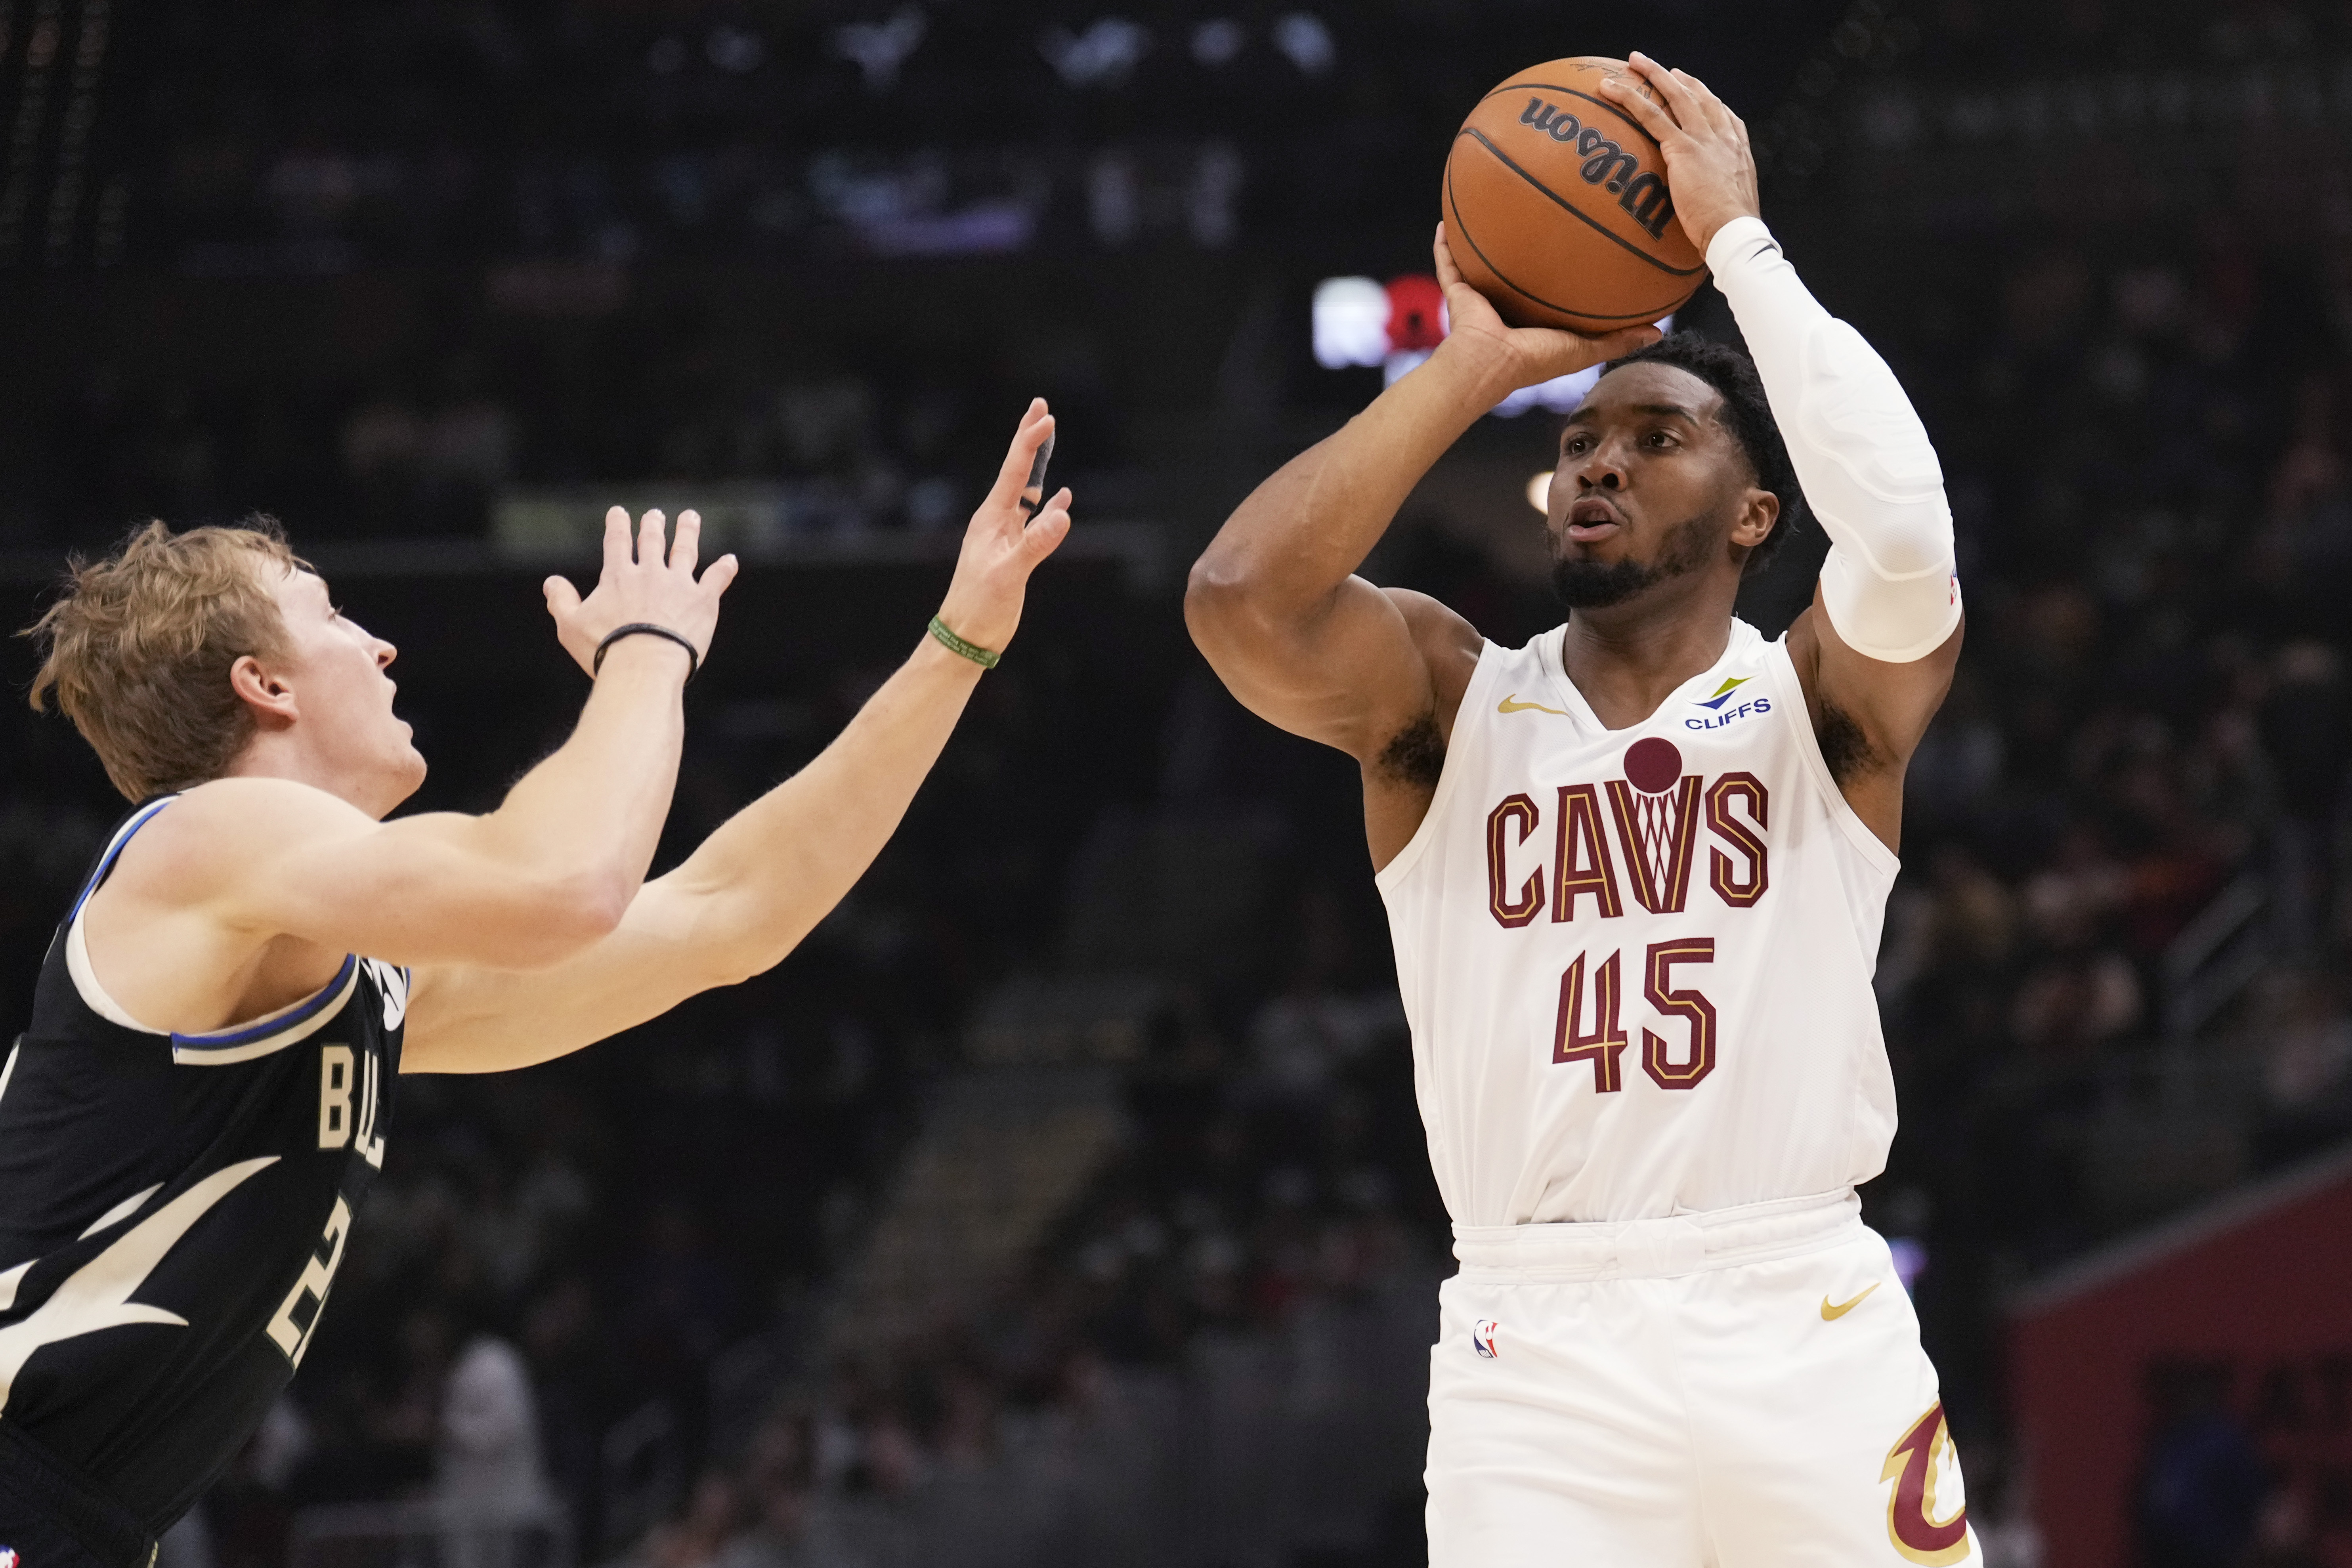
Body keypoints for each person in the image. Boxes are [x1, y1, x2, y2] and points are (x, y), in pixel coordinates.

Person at [0, 403, 1073, 1567]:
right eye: (335, 617)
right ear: (264, 684)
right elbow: (570, 881)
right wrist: (647, 651)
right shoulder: (200, 840)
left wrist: (956, 645)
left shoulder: (350, 983)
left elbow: (730, 917)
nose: (382, 647)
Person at [1186, 53, 1975, 1567]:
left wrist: (1738, 247)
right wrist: (1469, 371)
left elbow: (1910, 531)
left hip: (1800, 1311)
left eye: (1657, 435)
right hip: (1532, 1356)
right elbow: (1239, 602)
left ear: (1757, 515)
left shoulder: (1823, 704)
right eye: (1578, 441)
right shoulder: (1446, 699)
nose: (1600, 453)